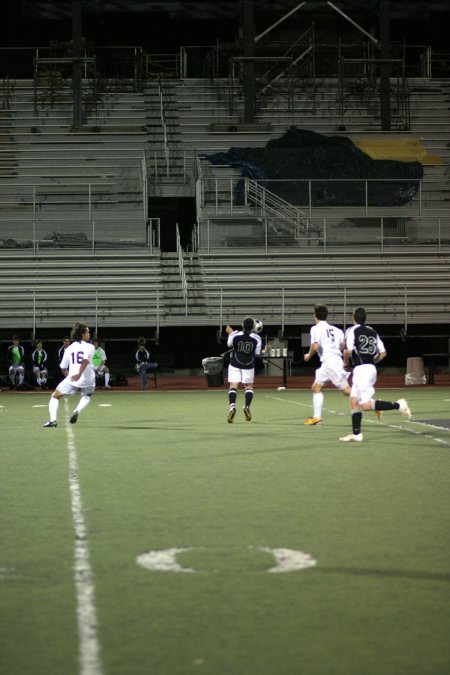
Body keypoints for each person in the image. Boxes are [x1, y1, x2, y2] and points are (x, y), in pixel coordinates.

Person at [339, 306, 411, 442]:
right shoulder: (373, 331)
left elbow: (347, 351)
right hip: (368, 368)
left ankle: (398, 405)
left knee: (364, 405)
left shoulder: (351, 330)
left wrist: (345, 362)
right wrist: (372, 362)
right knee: (353, 401)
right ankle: (357, 434)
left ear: (353, 317)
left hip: (362, 370)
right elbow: (383, 353)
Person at [303, 304, 351, 425]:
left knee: (347, 391)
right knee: (316, 387)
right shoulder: (337, 330)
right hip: (329, 362)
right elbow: (342, 344)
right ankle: (317, 417)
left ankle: (373, 404)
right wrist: (335, 352)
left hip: (330, 362)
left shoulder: (315, 328)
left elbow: (315, 346)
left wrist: (309, 355)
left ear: (315, 315)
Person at [43, 321, 95, 427]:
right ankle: (76, 411)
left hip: (74, 378)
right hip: (88, 377)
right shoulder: (90, 346)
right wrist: (80, 374)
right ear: (82, 334)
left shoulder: (69, 348)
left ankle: (53, 421)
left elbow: (63, 367)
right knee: (87, 395)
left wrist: (70, 378)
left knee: (55, 396)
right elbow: (85, 360)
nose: (89, 334)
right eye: (88, 332)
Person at [225, 316, 270, 423]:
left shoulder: (235, 335)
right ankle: (246, 407)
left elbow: (229, 345)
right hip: (248, 364)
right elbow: (257, 353)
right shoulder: (257, 338)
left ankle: (232, 407)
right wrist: (265, 350)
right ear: (254, 327)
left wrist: (230, 333)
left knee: (233, 386)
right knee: (248, 387)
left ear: (242, 325)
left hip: (235, 363)